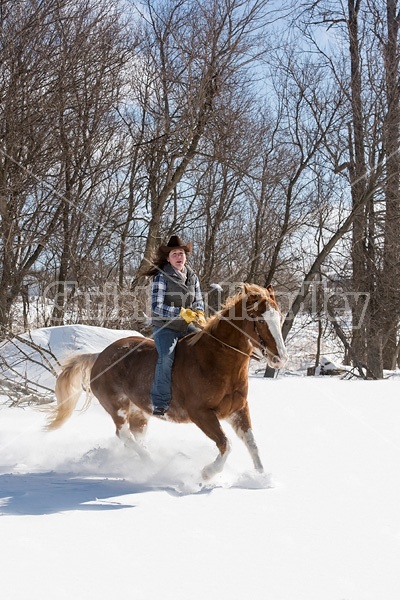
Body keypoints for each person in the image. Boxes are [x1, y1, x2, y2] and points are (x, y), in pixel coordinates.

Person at [143, 235, 205, 416]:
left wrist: (199, 312)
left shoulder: (192, 276)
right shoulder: (161, 277)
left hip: (185, 327)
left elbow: (198, 300)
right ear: (168, 258)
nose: (179, 257)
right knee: (166, 358)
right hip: (165, 327)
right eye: (175, 254)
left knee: (205, 347)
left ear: (186, 256)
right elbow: (157, 307)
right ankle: (160, 403)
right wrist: (180, 312)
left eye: (181, 253)